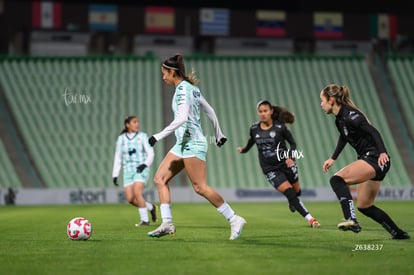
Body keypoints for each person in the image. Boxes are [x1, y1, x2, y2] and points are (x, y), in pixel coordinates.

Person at [147, 54, 246, 240]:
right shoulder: (192, 88)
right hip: (183, 144)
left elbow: (182, 118)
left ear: (172, 72)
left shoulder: (183, 90)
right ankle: (167, 223)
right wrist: (219, 134)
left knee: (200, 187)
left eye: (164, 74)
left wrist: (157, 136)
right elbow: (210, 110)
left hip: (192, 143)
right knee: (160, 179)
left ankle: (234, 218)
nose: (163, 78)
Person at [320, 84, 410, 239]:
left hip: (375, 158)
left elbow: (373, 131)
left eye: (322, 100)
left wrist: (382, 152)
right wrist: (332, 158)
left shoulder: (351, 115)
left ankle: (351, 219)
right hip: (372, 160)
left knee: (336, 180)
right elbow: (344, 137)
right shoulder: (339, 120)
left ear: (331, 100)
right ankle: (398, 233)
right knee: (364, 205)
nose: (321, 104)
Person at [236, 100, 320, 228]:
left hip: (286, 164)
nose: (263, 114)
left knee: (297, 192)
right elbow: (251, 142)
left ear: (271, 112)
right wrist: (244, 150)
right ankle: (311, 219)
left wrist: (291, 157)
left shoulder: (280, 127)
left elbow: (293, 143)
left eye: (265, 111)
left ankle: (293, 202)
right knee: (290, 193)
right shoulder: (254, 129)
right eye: (260, 111)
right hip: (270, 169)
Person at [112, 115, 157, 226]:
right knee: (130, 199)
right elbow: (118, 157)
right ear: (127, 125)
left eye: (138, 122)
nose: (137, 124)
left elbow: (151, 153)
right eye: (134, 122)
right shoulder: (121, 139)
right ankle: (151, 207)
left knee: (137, 193)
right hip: (128, 171)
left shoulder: (142, 136)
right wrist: (115, 174)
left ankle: (145, 221)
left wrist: (144, 165)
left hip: (140, 169)